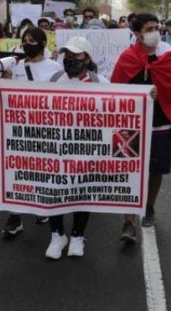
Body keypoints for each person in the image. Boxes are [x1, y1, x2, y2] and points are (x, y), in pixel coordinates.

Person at [111, 13, 171, 242]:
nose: (155, 32)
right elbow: (116, 89)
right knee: (129, 170)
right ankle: (129, 221)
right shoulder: (127, 57)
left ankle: (149, 206)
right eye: (149, 28)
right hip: (131, 124)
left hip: (160, 123)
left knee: (156, 169)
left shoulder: (169, 55)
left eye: (156, 27)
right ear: (137, 33)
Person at [45, 36, 108, 260]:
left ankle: (78, 235)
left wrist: (147, 97)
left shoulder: (100, 82)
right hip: (56, 147)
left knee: (83, 189)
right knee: (54, 189)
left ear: (87, 58)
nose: (71, 59)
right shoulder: (53, 79)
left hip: (86, 149)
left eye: (77, 55)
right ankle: (57, 234)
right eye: (68, 55)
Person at [1, 27, 63, 237]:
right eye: (25, 40)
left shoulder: (55, 67)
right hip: (20, 130)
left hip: (46, 128)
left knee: (42, 169)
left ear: (43, 43)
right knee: (19, 170)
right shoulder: (17, 67)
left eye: (32, 40)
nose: (28, 43)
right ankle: (15, 215)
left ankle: (41, 208)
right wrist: (2, 82)